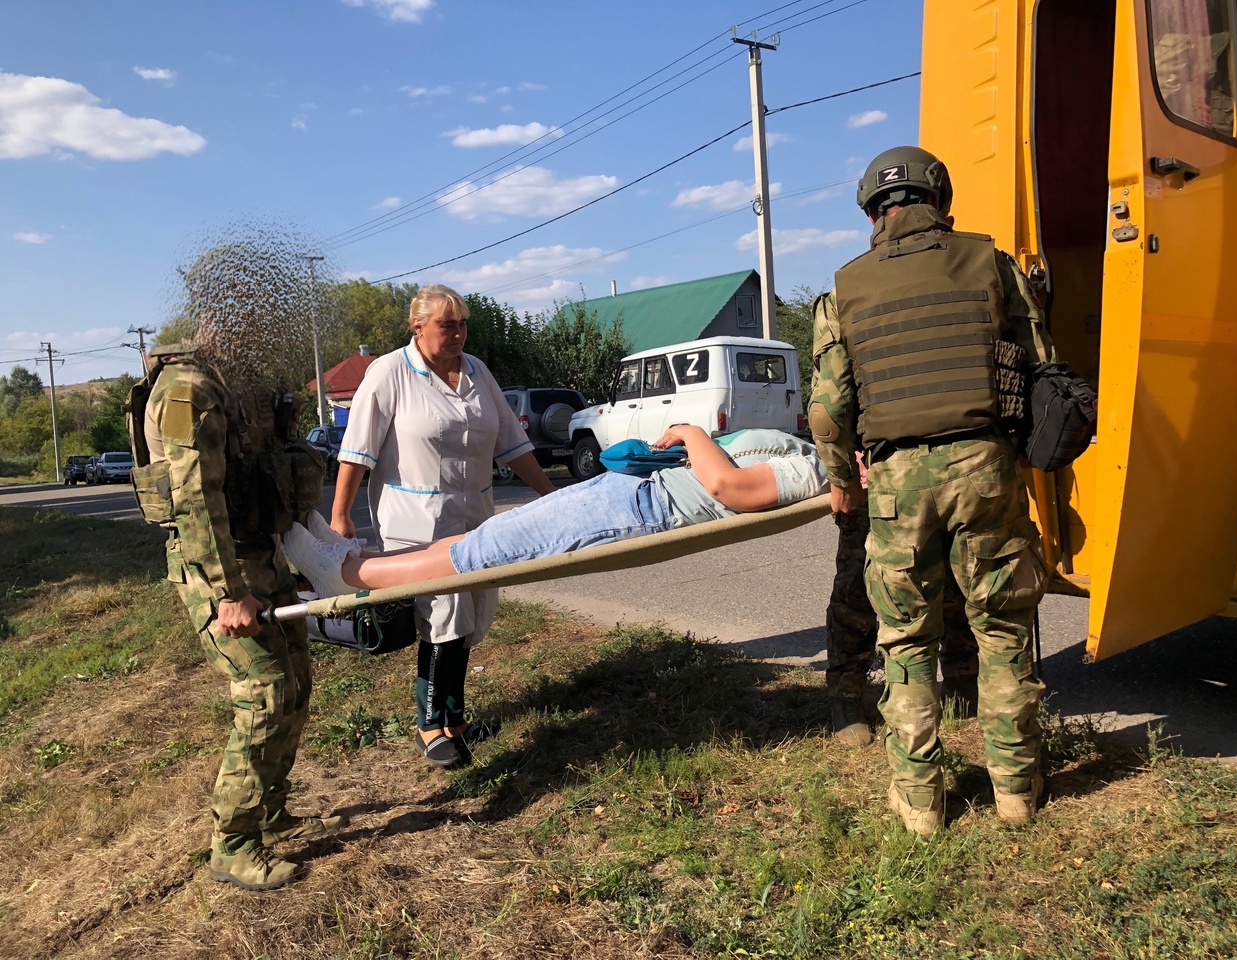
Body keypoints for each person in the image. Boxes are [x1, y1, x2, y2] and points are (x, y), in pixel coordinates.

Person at [819, 145, 1055, 838]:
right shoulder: (993, 264)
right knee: (1003, 629)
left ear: (873, 212)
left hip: (896, 484)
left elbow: (830, 413)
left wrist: (842, 485)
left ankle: (921, 804)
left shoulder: (845, 288)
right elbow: (1041, 366)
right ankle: (1016, 789)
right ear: (940, 200)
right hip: (987, 468)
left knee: (907, 640)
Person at [126, 240, 345, 892]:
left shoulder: (242, 383)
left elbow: (273, 474)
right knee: (265, 691)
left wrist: (310, 550)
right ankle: (232, 842)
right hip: (214, 565)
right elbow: (196, 506)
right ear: (222, 312)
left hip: (262, 554)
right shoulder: (189, 390)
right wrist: (228, 595)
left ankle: (269, 804)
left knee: (298, 681)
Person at [329, 284, 556, 770]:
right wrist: (340, 515)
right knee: (443, 616)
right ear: (418, 327)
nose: (458, 334)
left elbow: (512, 446)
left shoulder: (477, 371)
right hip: (416, 522)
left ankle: (455, 720)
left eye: (463, 324)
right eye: (447, 325)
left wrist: (553, 497)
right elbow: (357, 451)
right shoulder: (388, 373)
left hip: (474, 516)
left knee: (470, 611)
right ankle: (429, 725)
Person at [285, 425, 825, 599]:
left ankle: (347, 576)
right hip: (630, 492)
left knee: (486, 552)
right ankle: (354, 558)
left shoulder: (818, 469)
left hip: (639, 509)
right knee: (490, 537)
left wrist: (690, 432)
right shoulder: (815, 453)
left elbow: (733, 488)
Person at [810, 291, 981, 748]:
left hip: (951, 459)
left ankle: (965, 684)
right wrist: (844, 476)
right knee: (862, 588)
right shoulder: (851, 296)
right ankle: (848, 695)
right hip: (882, 470)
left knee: (958, 580)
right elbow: (829, 405)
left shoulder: (950, 282)